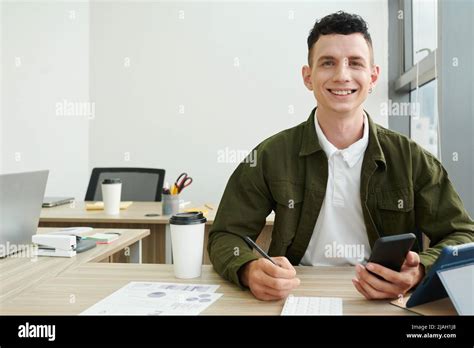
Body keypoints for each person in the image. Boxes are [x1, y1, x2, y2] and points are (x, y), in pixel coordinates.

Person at [207, 11, 474, 301]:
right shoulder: (271, 155)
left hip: (385, 301)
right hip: (296, 298)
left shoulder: (412, 159)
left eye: (355, 63)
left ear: (373, 77)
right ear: (308, 77)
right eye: (328, 63)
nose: (342, 75)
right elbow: (225, 236)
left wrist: (420, 270)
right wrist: (248, 269)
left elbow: (463, 236)